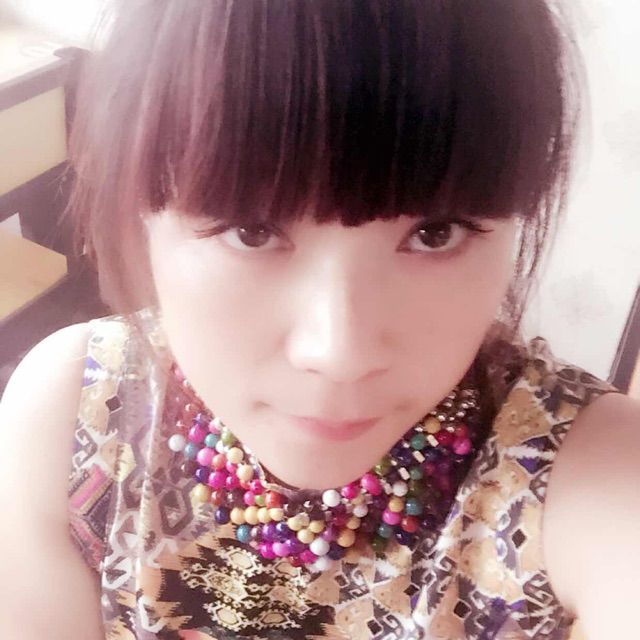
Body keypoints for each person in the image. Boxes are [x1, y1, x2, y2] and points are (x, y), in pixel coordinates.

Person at [0, 1, 638, 638]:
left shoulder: (588, 476)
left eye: (435, 233)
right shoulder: (75, 420)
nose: (341, 353)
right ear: (141, 216)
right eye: (252, 231)